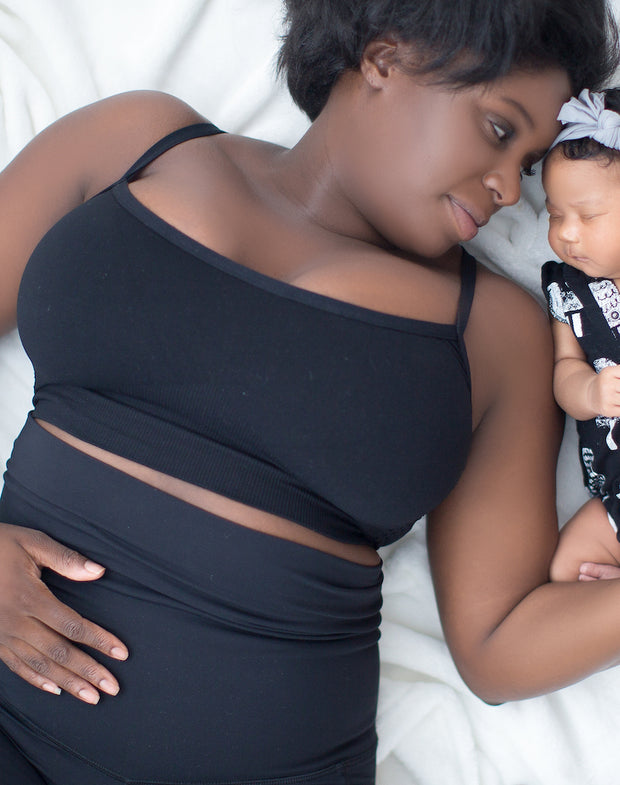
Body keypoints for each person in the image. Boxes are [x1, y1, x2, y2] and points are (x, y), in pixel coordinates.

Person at [0, 1, 618, 783]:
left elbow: (502, 643)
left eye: (527, 166)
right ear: (386, 58)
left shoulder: (497, 333)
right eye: (499, 130)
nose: (506, 187)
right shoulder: (137, 142)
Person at [542, 88, 620, 583]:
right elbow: (565, 369)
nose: (567, 233)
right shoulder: (568, 289)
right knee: (570, 567)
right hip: (615, 492)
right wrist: (589, 391)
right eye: (554, 214)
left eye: (587, 216)